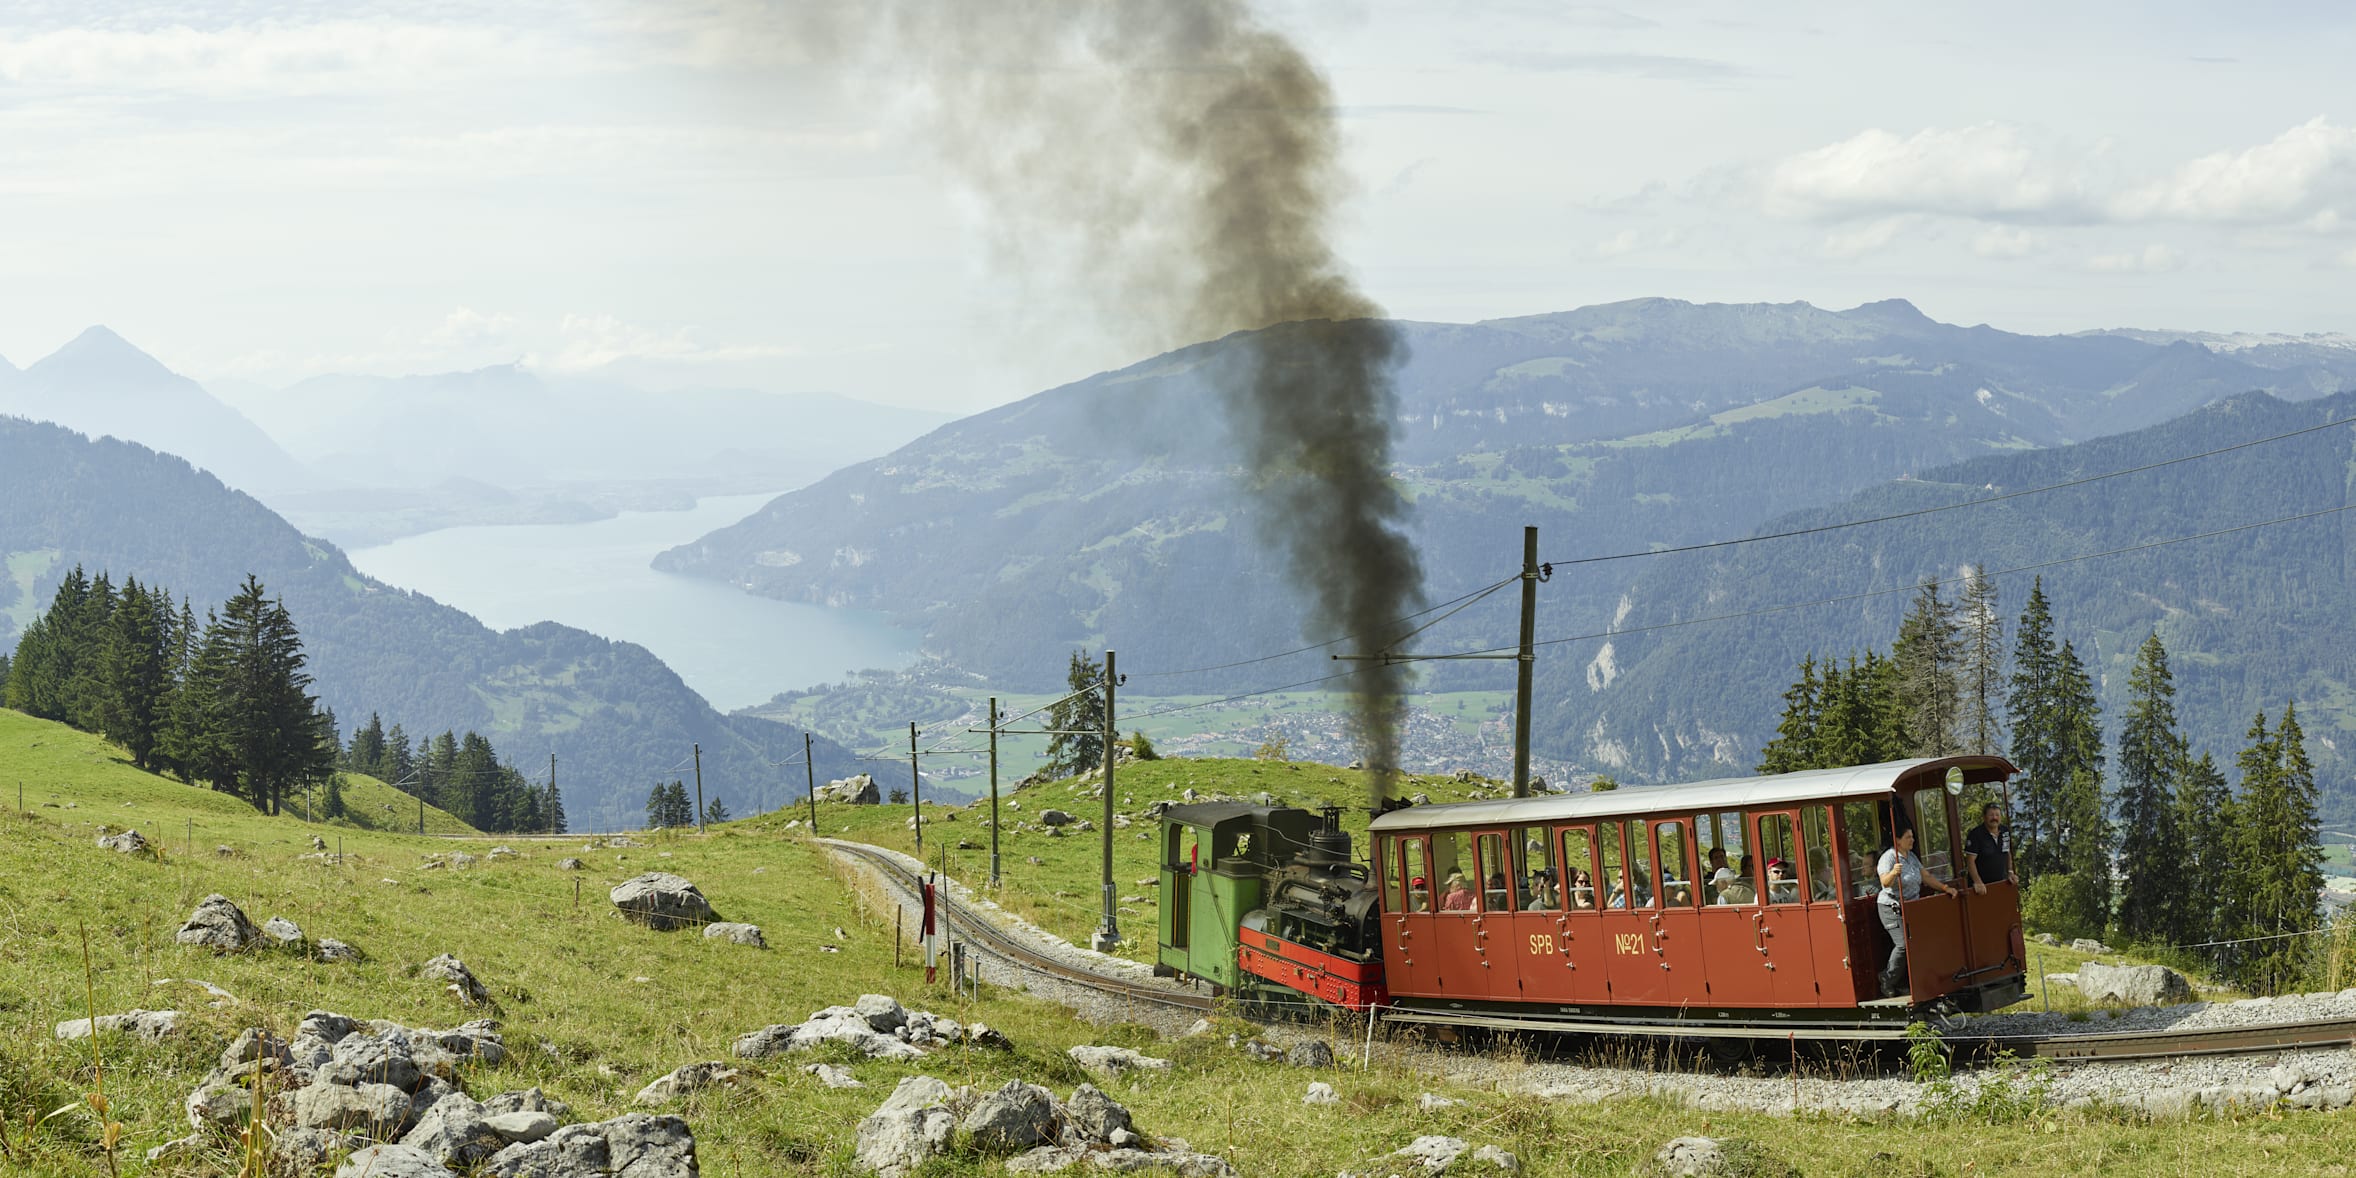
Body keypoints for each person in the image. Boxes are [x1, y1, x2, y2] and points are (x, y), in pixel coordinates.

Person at [1876, 827, 1962, 997]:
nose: (1912, 840)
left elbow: (1926, 877)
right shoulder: (1889, 857)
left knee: (1918, 943)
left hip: (1911, 906)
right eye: (1908, 837)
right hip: (1891, 907)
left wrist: (1945, 888)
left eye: (1912, 837)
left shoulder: (1912, 857)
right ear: (1898, 840)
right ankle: (1887, 978)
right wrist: (1894, 872)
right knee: (1903, 945)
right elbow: (1885, 882)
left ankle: (1912, 983)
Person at [1963, 803, 2010, 895]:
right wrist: (1978, 881)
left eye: (1997, 815)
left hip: (2001, 884)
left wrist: (2010, 872)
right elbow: (1970, 861)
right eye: (1991, 815)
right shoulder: (1975, 835)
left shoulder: (2005, 831)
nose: (1994, 818)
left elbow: (2007, 852)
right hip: (1981, 888)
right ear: (1984, 817)